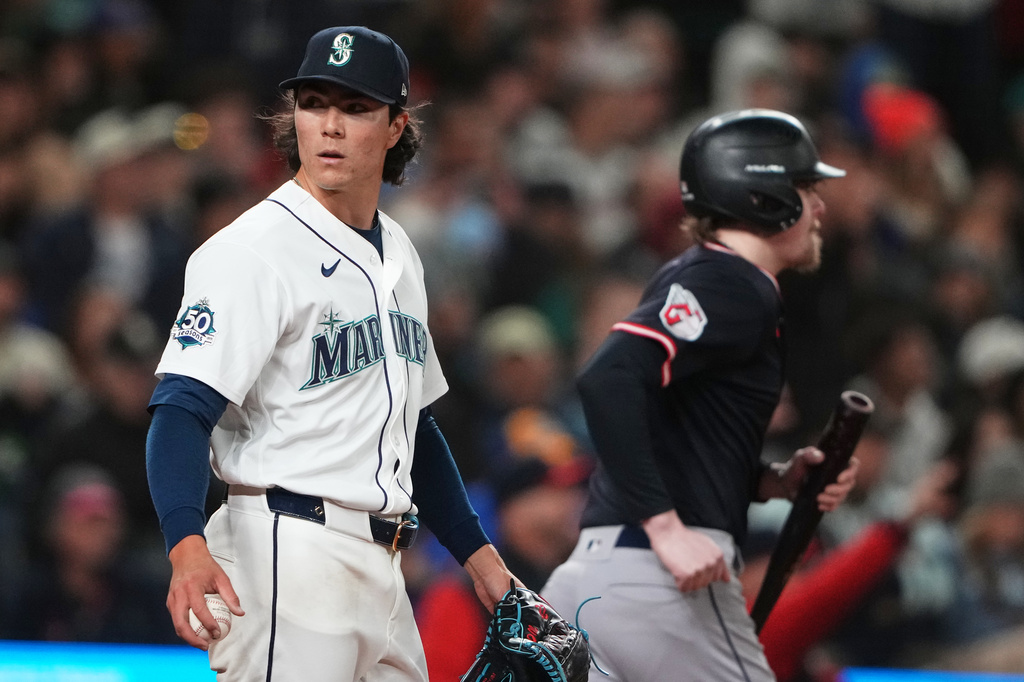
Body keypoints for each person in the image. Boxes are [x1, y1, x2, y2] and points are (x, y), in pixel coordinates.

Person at [144, 26, 519, 682]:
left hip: (386, 565)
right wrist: (185, 544)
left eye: (354, 108)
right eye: (314, 103)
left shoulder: (400, 252)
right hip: (284, 550)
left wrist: (483, 562)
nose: (330, 126)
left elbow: (415, 427)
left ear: (397, 125)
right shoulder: (251, 249)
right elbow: (180, 410)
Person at [540, 108, 859, 682]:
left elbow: (673, 429)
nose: (820, 207)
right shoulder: (734, 281)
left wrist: (772, 481)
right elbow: (608, 378)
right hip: (661, 583)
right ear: (764, 195)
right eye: (807, 188)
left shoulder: (703, 276)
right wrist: (666, 530)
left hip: (594, 581)